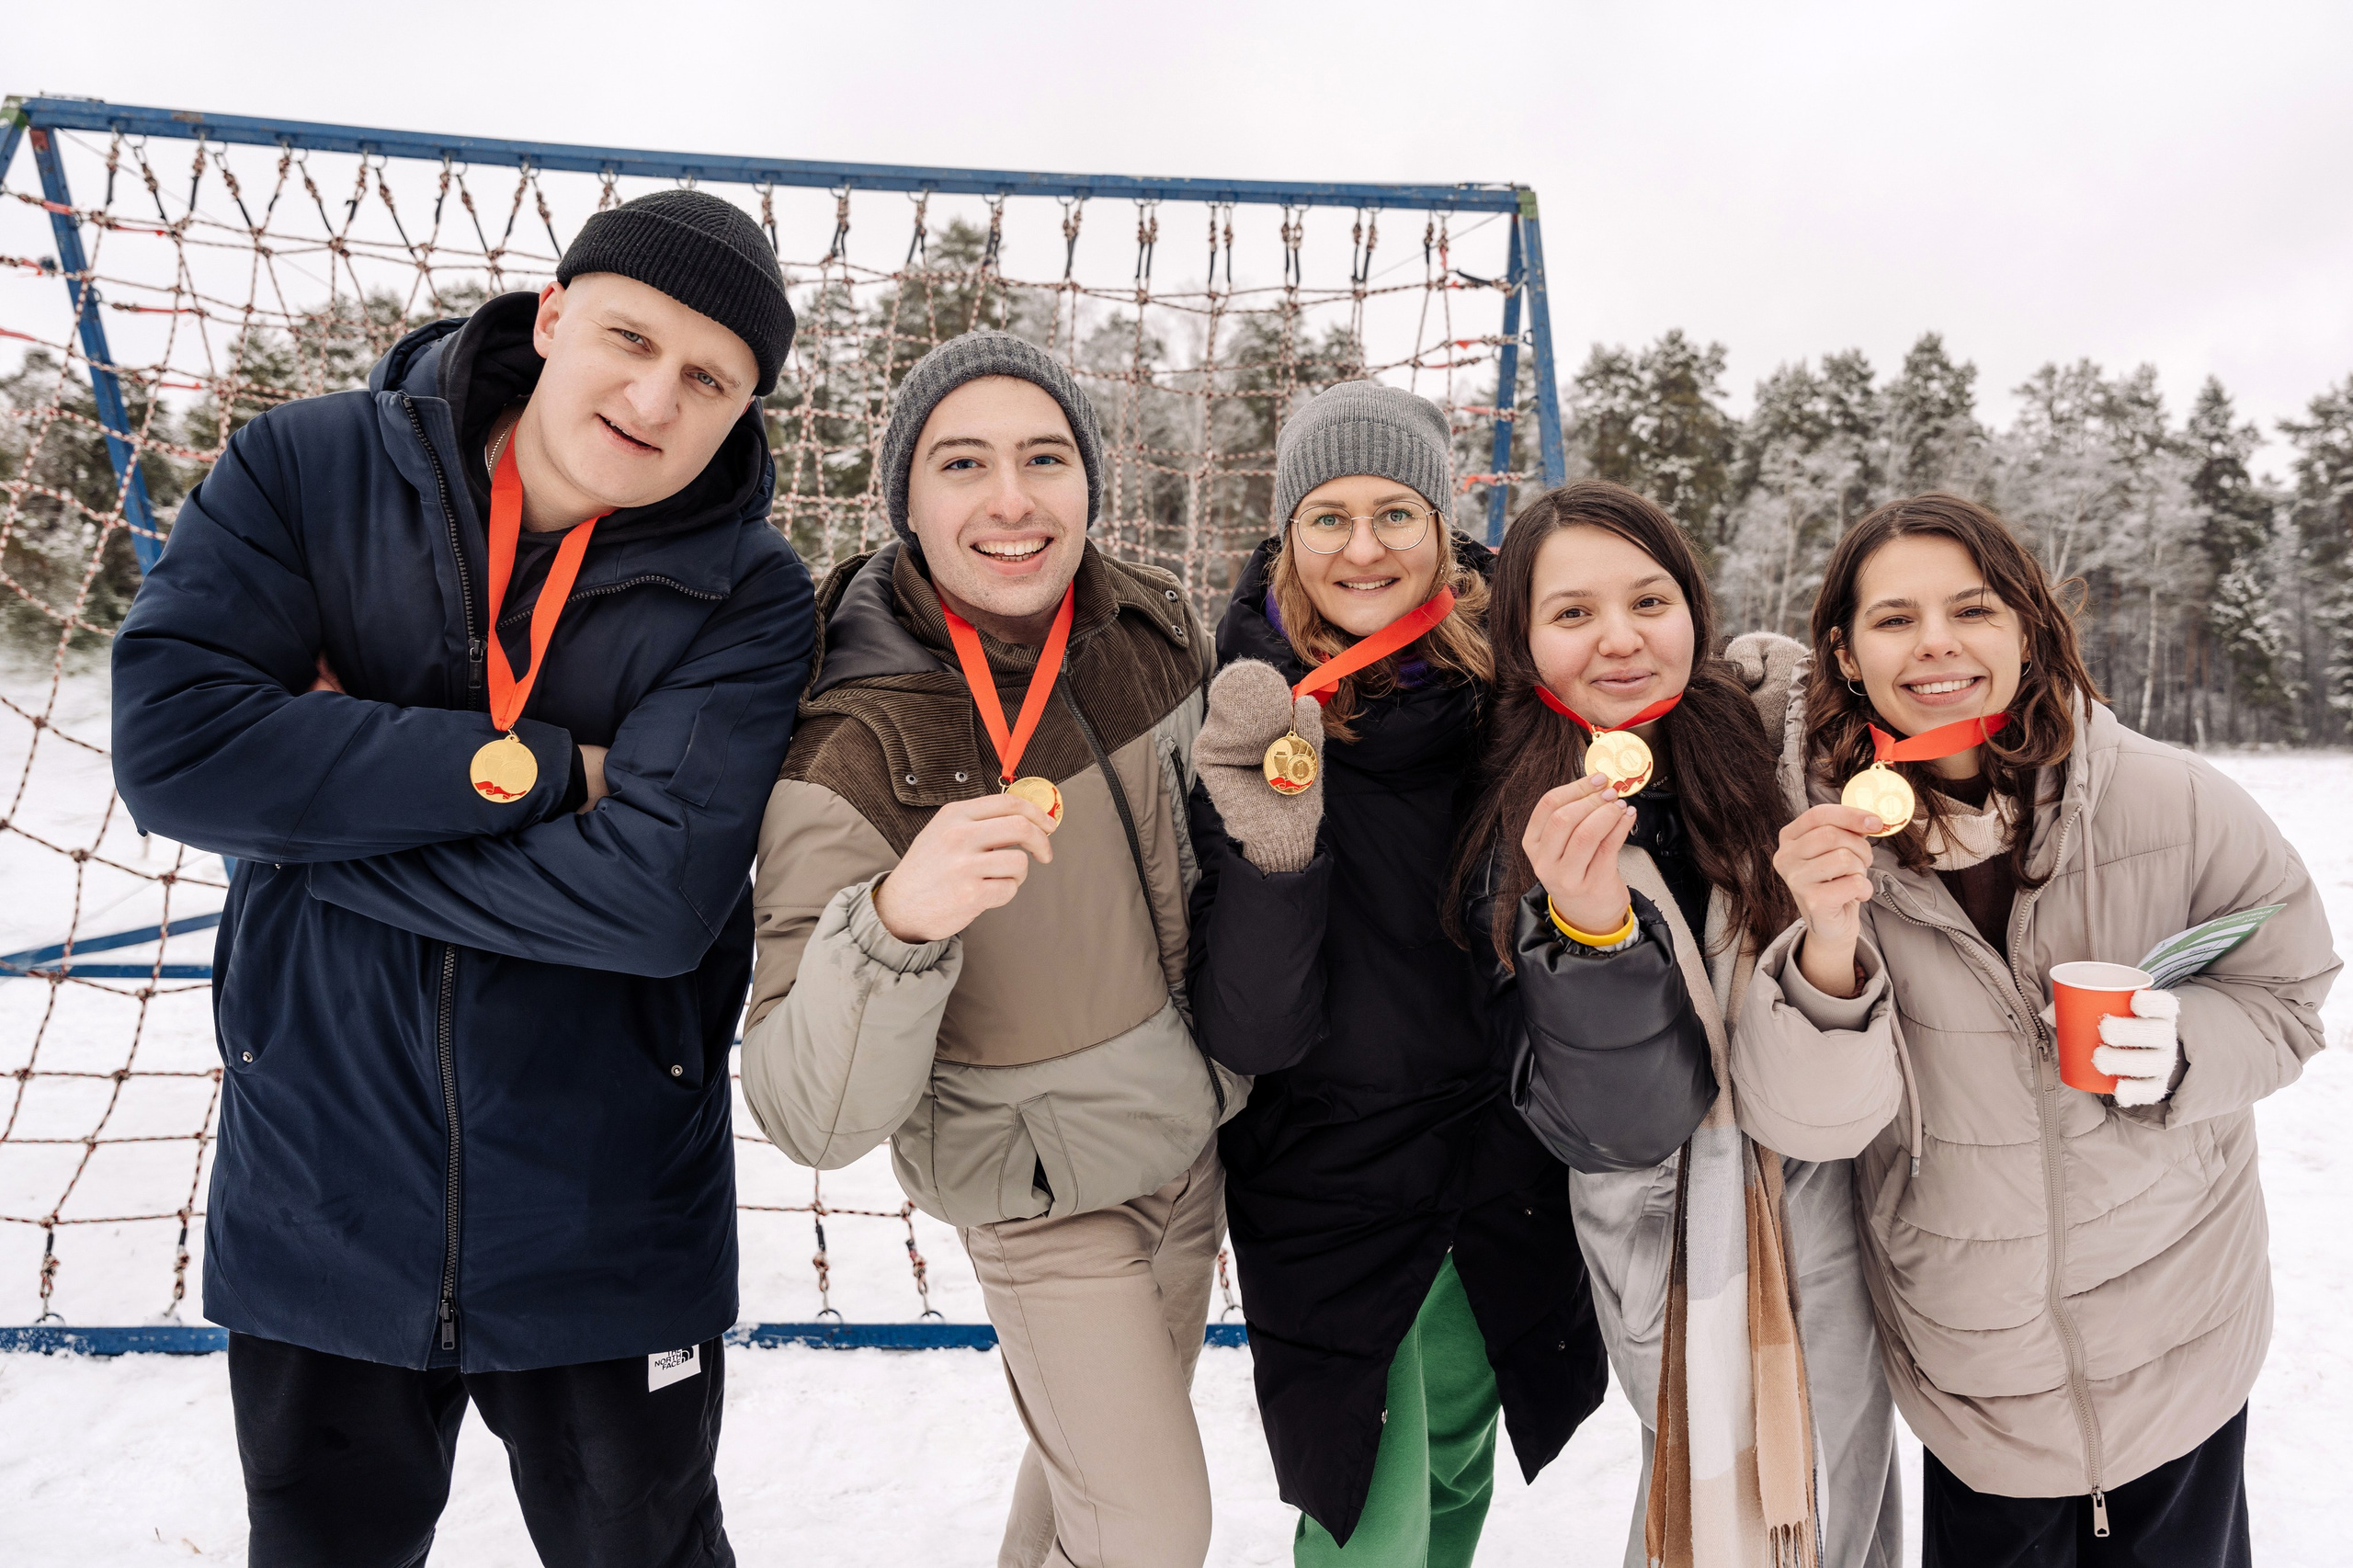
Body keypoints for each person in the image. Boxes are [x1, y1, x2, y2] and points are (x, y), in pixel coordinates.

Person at [109, 189, 813, 1566]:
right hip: (321, 1188)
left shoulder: (750, 592)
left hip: (610, 1219)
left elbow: (656, 903)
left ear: (741, 410)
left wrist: (315, 825)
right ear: (552, 318)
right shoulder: (304, 471)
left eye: (709, 378)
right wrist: (547, 770)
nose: (655, 395)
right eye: (630, 337)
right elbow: (177, 752)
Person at [1734, 492, 2338, 1567]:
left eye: (1971, 608)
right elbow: (1808, 1124)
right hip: (1980, 1382)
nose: (1936, 645)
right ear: (1844, 648)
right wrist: (1825, 936)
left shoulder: (2176, 802)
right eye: (1893, 618)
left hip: (2179, 1343)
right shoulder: (1810, 844)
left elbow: (2288, 993)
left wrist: (2188, 1041)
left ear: (2025, 623)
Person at [738, 329, 1236, 1568]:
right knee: (1155, 1530)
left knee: (1083, 1501)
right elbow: (810, 1113)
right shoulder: (847, 725)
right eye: (963, 463)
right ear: (906, 494)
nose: (1013, 501)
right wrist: (896, 922)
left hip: (1185, 1147)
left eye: (1045, 457)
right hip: (1033, 1188)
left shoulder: (1151, 629)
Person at [1182, 381, 1608, 1563]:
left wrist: (1736, 711)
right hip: (1330, 1169)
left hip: (1497, 1152)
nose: (1361, 548)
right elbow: (1253, 1026)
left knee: (1457, 1464)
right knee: (1366, 1503)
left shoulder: (1518, 688)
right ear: (1285, 531)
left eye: (1393, 513)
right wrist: (1276, 848)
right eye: (1327, 516)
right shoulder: (1243, 702)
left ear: (1441, 523)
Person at [1452, 479, 1903, 1568]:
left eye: (1649, 600)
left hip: (1826, 1237)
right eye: (1571, 615)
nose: (1619, 640)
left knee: (1843, 1513)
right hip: (1671, 1249)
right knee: (1713, 1518)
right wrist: (1593, 938)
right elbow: (1623, 1124)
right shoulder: (1512, 816)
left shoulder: (1765, 765)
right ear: (1520, 639)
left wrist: (1832, 934)